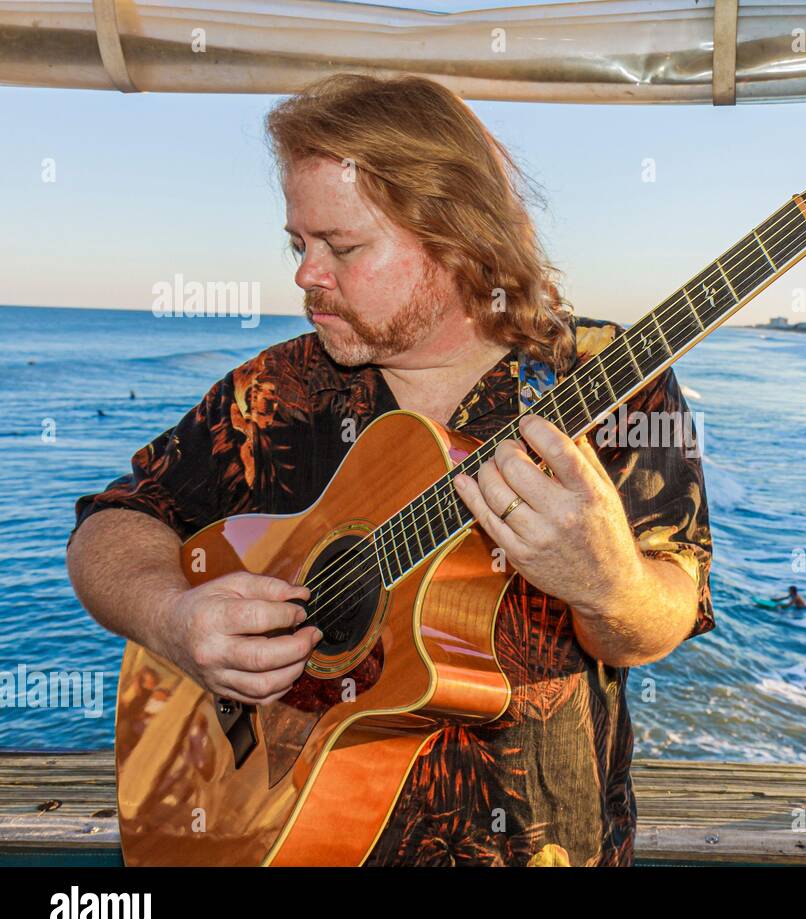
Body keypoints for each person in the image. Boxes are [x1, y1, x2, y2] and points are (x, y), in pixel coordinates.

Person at [64, 73, 714, 868]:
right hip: (290, 834)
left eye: (341, 247)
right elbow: (115, 519)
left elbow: (665, 614)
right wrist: (173, 619)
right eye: (298, 243)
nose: (307, 273)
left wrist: (606, 582)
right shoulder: (276, 392)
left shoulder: (608, 379)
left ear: (457, 236)